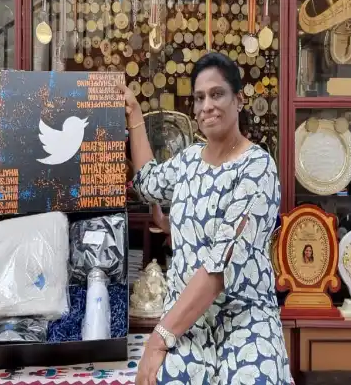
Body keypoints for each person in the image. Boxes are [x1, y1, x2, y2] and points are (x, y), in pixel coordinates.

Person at [122, 52, 291, 385]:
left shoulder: (258, 169)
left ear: (239, 99)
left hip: (243, 316)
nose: (206, 106)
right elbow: (148, 182)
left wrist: (158, 340)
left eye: (217, 94)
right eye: (199, 98)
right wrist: (135, 115)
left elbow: (220, 265)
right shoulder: (187, 163)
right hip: (189, 322)